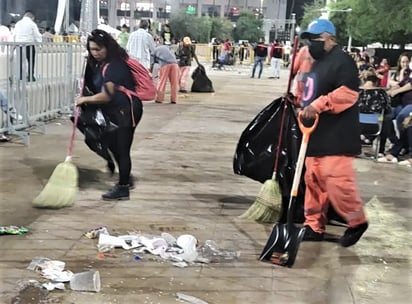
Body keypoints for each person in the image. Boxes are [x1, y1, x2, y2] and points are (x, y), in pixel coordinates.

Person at [299, 18, 368, 247]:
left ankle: (357, 222)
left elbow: (348, 94)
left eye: (317, 39)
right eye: (309, 40)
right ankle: (313, 225)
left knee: (337, 183)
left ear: (331, 38)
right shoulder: (317, 63)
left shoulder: (343, 61)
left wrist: (317, 105)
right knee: (313, 181)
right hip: (315, 135)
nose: (312, 45)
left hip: (337, 136)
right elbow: (311, 91)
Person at [76, 29, 143, 201]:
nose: (95, 53)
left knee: (122, 149)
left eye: (99, 49)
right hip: (115, 110)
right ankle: (125, 177)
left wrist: (85, 99)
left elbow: (106, 95)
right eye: (92, 49)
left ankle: (123, 188)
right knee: (111, 144)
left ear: (108, 47)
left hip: (126, 110)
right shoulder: (100, 64)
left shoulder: (114, 65)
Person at [13, 11, 42, 81]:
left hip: (19, 45)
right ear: (31, 17)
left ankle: (20, 76)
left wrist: (14, 44)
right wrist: (39, 45)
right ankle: (30, 76)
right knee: (31, 61)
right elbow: (37, 35)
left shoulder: (18, 23)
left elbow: (14, 35)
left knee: (20, 61)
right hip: (29, 45)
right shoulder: (32, 24)